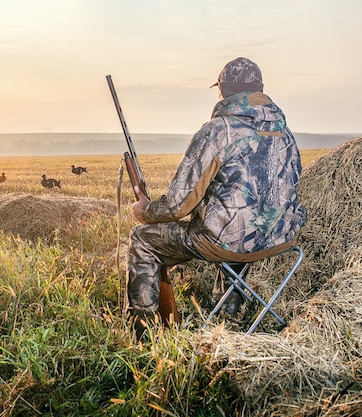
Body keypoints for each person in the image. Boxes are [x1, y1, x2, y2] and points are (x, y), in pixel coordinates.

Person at [127, 57, 306, 338]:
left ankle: (143, 333)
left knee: (142, 239)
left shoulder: (217, 130)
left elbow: (177, 205)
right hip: (282, 238)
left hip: (231, 242)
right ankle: (229, 314)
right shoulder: (285, 131)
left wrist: (146, 211)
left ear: (222, 90)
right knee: (238, 222)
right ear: (259, 91)